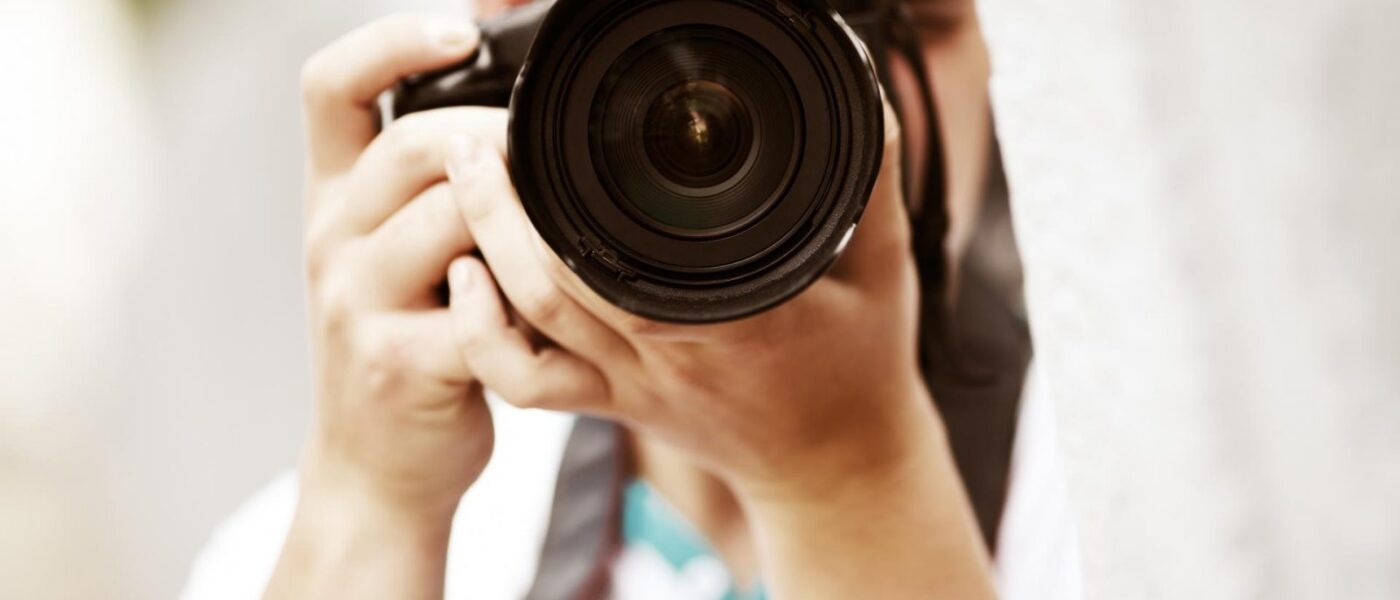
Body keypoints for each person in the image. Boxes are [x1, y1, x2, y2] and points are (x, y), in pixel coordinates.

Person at [183, 1, 1073, 598]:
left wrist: (848, 475)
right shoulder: (318, 540)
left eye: (878, 10)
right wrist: (370, 506)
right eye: (660, 32)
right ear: (518, 45)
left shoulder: (1120, 481)